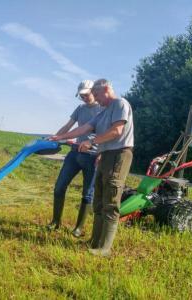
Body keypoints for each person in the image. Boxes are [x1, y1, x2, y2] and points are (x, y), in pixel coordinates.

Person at [50, 79, 134, 256]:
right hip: (105, 155)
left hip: (118, 155)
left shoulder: (120, 103)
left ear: (106, 89)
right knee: (99, 201)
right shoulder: (102, 112)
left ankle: (104, 248)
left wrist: (92, 142)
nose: (95, 99)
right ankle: (94, 241)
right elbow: (83, 129)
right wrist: (59, 137)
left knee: (110, 201)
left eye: (96, 95)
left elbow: (116, 131)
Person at [47, 80, 103, 237]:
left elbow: (107, 134)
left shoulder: (102, 109)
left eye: (86, 94)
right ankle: (55, 222)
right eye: (81, 96)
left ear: (94, 92)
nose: (84, 98)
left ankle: (78, 228)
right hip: (75, 153)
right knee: (59, 187)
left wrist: (101, 153)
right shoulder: (80, 108)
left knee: (87, 193)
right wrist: (56, 137)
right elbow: (68, 125)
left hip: (92, 156)